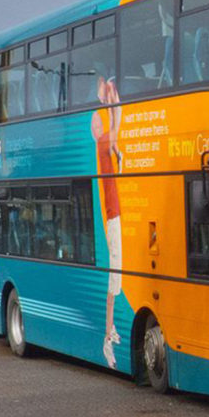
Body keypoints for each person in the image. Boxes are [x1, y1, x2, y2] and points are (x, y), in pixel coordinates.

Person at [91, 76, 123, 369]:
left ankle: (110, 329)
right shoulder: (103, 142)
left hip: (114, 213)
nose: (98, 126)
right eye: (95, 125)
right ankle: (107, 334)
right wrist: (114, 102)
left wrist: (112, 102)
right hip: (112, 214)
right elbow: (117, 124)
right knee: (115, 276)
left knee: (118, 275)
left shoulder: (104, 146)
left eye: (98, 123)